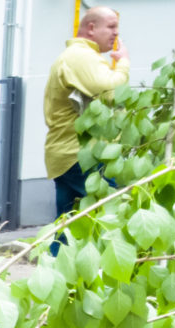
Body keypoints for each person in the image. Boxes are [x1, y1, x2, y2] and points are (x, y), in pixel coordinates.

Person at [43, 7, 129, 234]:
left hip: (67, 153)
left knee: (68, 225)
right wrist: (123, 64)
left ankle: (56, 266)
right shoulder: (81, 57)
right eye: (111, 26)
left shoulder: (78, 57)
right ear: (91, 28)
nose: (116, 34)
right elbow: (112, 93)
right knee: (111, 214)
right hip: (81, 155)